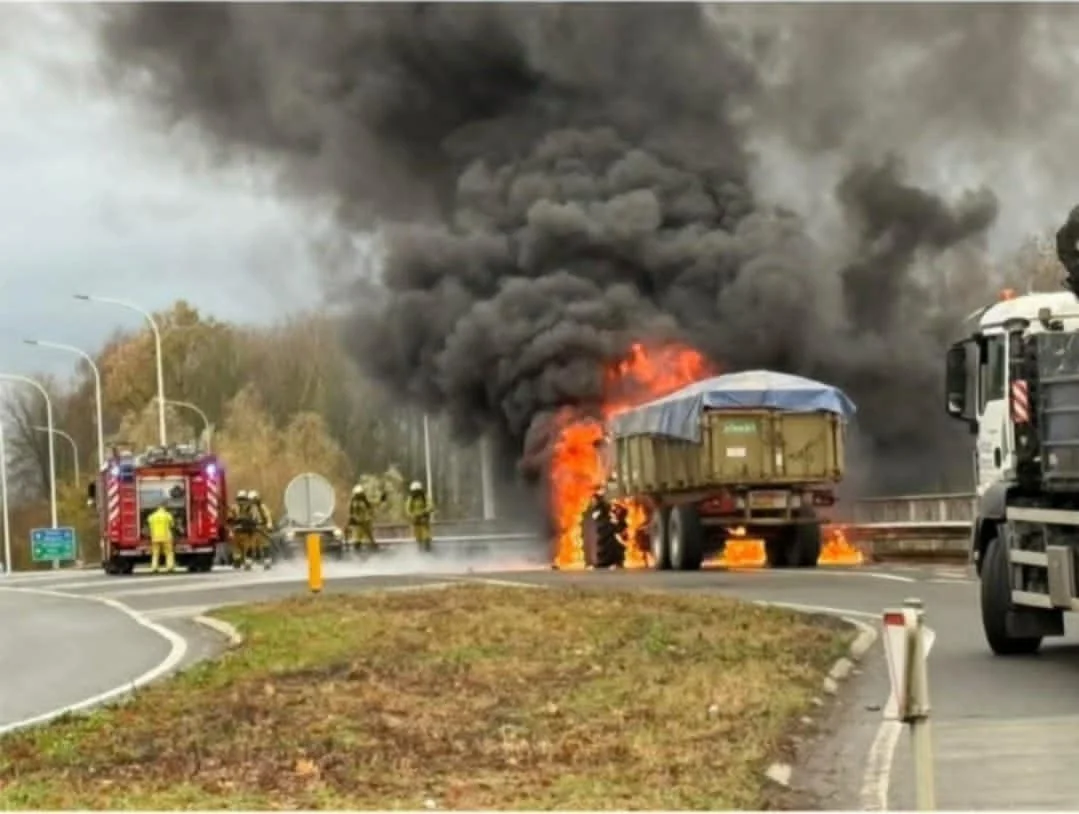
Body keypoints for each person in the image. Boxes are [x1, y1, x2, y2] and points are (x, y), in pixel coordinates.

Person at [586, 483, 626, 569]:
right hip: (606, 527)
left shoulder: (603, 506)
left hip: (606, 526)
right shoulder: (602, 505)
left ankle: (609, 560)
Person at [346, 483, 381, 553]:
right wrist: (356, 520)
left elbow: (372, 504)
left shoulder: (364, 501)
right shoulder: (354, 503)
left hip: (366, 522)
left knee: (370, 538)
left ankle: (374, 551)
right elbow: (353, 513)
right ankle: (357, 553)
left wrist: (381, 500)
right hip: (358, 523)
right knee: (357, 539)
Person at [228, 490, 255, 570]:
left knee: (247, 548)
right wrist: (234, 521)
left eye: (243, 499)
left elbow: (254, 518)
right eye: (240, 499)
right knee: (237, 549)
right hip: (237, 531)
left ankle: (247, 563)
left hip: (246, 532)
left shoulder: (250, 508)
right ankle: (237, 561)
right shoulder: (233, 508)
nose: (242, 501)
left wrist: (247, 521)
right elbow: (229, 519)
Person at [405, 480, 434, 553]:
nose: (415, 493)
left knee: (427, 539)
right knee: (419, 540)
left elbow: (431, 506)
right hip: (416, 523)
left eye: (417, 491)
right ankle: (420, 554)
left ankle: (428, 554)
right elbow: (407, 510)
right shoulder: (410, 498)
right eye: (414, 491)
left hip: (424, 523)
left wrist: (423, 512)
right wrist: (414, 516)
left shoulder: (424, 497)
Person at [148, 503, 176, 574]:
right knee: (169, 553)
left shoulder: (152, 516)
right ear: (164, 508)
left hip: (155, 538)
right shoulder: (167, 515)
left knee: (155, 554)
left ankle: (154, 568)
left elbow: (149, 525)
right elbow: (172, 525)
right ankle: (170, 568)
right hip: (166, 537)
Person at [249, 490, 274, 569]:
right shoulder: (249, 508)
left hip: (262, 527)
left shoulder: (262, 506)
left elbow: (267, 515)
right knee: (251, 545)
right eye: (251, 499)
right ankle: (249, 562)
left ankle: (267, 562)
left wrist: (269, 524)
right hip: (253, 529)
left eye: (254, 499)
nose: (253, 501)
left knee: (265, 545)